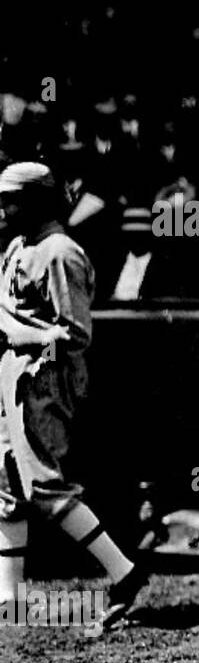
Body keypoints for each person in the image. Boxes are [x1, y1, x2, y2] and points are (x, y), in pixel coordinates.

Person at [0, 162, 149, 631]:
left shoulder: (61, 252)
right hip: (11, 375)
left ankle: (124, 572)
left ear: (38, 201)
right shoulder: (18, 247)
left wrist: (18, 334)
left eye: (12, 199)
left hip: (43, 378)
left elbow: (76, 334)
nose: (3, 208)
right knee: (7, 489)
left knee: (45, 488)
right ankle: (9, 599)